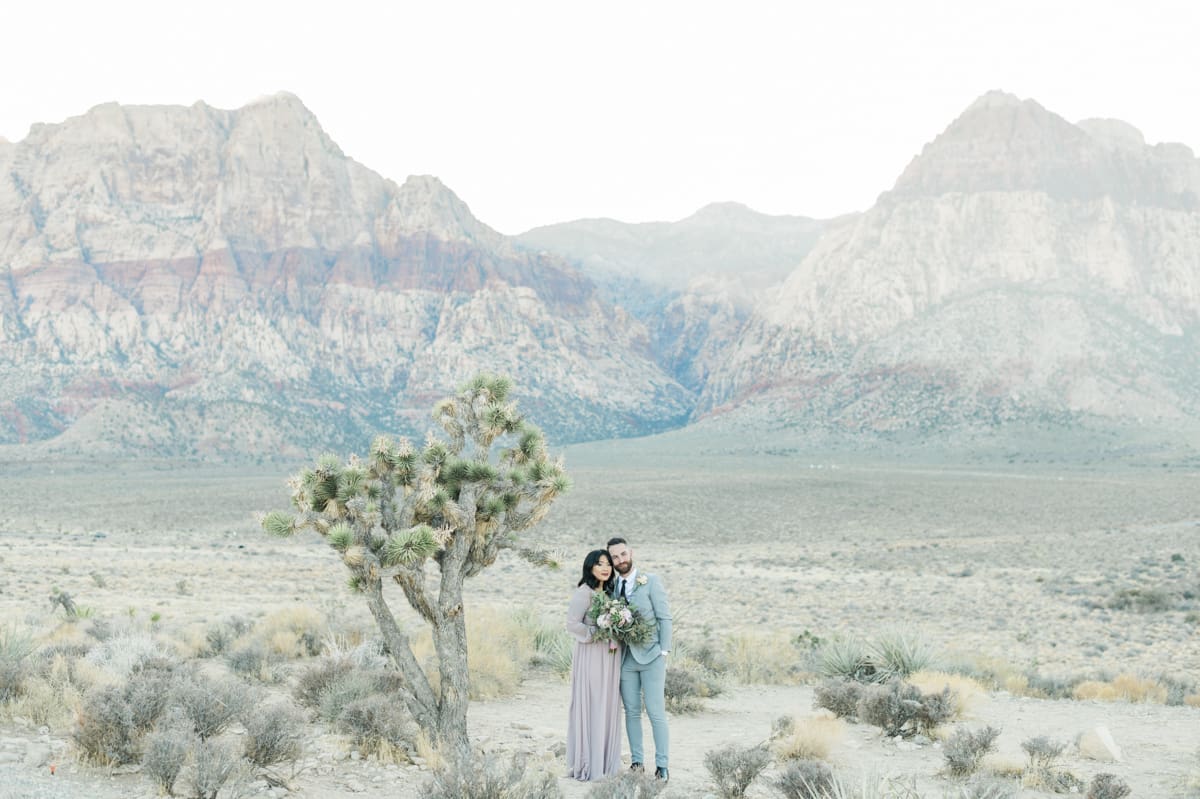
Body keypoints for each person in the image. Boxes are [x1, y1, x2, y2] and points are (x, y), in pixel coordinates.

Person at [607, 536, 671, 782]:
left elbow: (665, 618)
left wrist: (664, 651)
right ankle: (637, 762)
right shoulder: (613, 587)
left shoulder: (651, 581)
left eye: (623, 554)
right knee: (631, 712)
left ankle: (662, 765)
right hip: (626, 659)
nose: (620, 560)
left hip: (652, 656)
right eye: (615, 557)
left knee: (656, 713)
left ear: (631, 553)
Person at [565, 549, 623, 781]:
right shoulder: (584, 592)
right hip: (591, 654)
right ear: (590, 567)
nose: (605, 567)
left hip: (611, 657)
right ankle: (589, 763)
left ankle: (607, 764)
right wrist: (596, 631)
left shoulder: (611, 594)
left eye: (608, 563)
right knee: (593, 703)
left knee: (608, 705)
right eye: (600, 564)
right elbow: (572, 624)